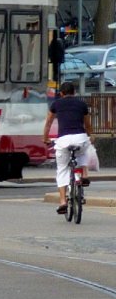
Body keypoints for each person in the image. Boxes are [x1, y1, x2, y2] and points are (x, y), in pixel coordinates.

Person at [42, 81, 93, 215]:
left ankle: (63, 202)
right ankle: (85, 176)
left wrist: (45, 138)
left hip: (63, 140)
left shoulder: (56, 104)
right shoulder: (82, 104)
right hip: (80, 137)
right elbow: (87, 124)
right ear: (74, 92)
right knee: (83, 153)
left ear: (61, 93)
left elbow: (48, 123)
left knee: (62, 169)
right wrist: (90, 135)